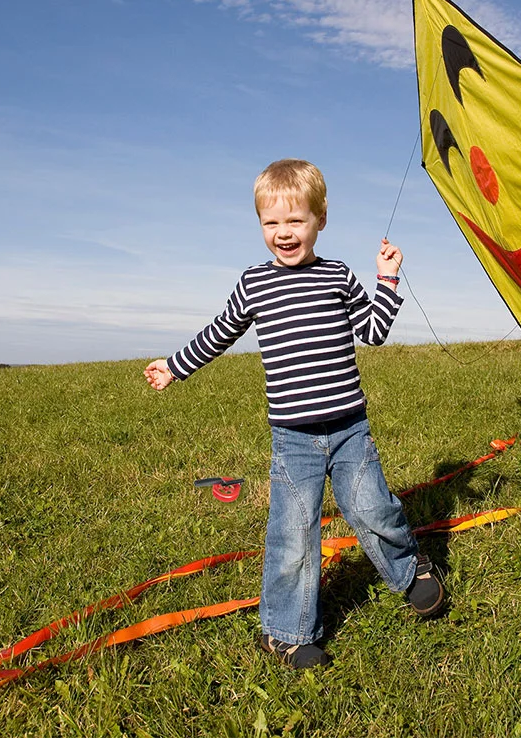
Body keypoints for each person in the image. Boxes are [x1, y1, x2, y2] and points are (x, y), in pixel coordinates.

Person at [144, 159, 445, 667]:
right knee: (294, 535)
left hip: (350, 429)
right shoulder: (254, 284)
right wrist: (176, 367)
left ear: (320, 220)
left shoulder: (338, 275)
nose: (284, 233)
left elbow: (372, 331)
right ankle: (284, 632)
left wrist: (387, 281)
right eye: (271, 223)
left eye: (296, 221)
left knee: (372, 507)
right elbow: (219, 332)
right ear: (260, 225)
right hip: (293, 439)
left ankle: (408, 569)